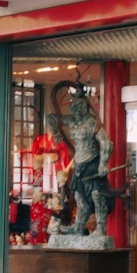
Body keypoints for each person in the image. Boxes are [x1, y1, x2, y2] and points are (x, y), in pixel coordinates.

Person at [58, 91, 114, 236]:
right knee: (79, 197)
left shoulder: (92, 123)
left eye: (80, 105)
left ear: (85, 106)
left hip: (92, 162)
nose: (77, 109)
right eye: (74, 106)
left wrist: (103, 163)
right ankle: (78, 226)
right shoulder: (71, 121)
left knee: (97, 194)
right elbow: (52, 118)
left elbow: (106, 144)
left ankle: (101, 227)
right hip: (78, 165)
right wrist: (57, 133)